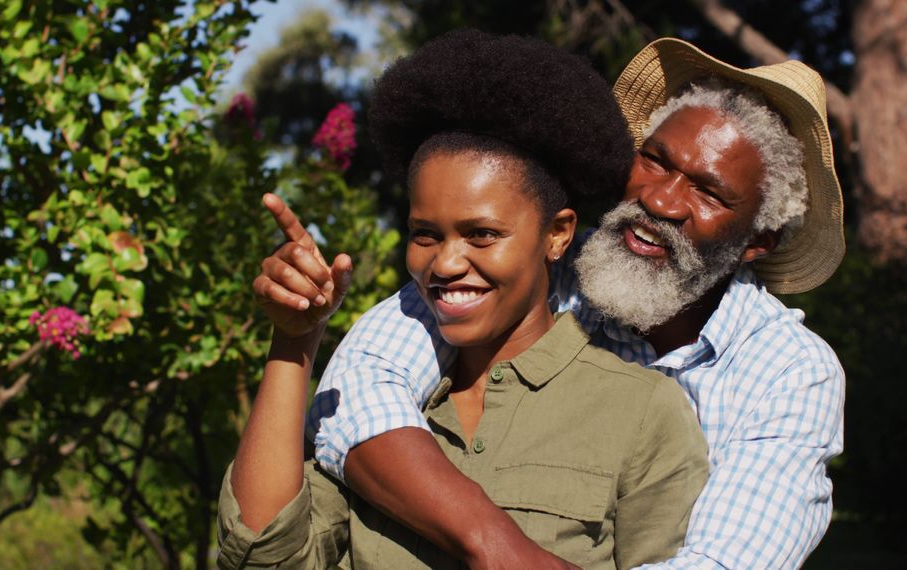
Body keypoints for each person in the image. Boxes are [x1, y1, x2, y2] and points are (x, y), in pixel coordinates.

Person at [262, 37, 847, 570]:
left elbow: (724, 564)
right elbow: (361, 388)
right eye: (656, 160)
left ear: (757, 242)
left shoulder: (789, 373)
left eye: (709, 191)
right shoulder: (546, 270)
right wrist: (491, 542)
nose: (661, 200)